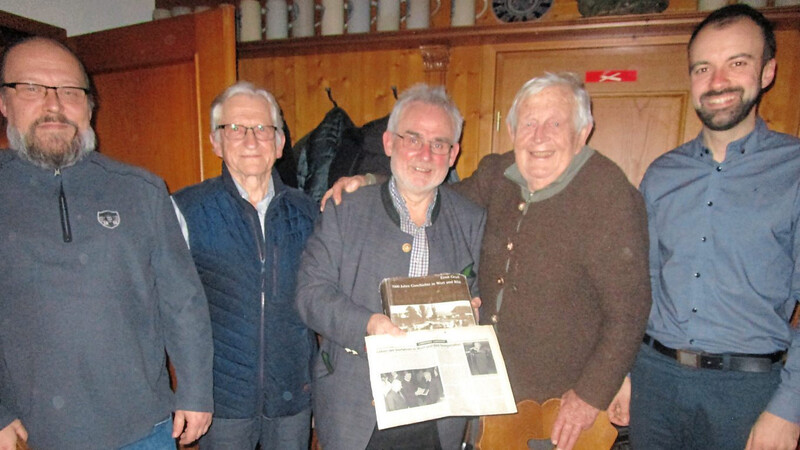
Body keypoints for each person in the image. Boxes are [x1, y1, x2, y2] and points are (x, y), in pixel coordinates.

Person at [324, 72, 651, 450]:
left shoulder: (610, 195)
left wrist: (591, 394)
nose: (539, 136)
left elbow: (629, 310)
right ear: (512, 130)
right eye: (528, 123)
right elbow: (433, 198)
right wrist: (368, 181)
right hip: (486, 396)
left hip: (561, 406)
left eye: (555, 123)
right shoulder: (498, 173)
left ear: (583, 131)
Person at [0, 37, 213, 449]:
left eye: (69, 91)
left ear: (90, 107)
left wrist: (195, 391)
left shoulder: (141, 190)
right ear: (5, 103)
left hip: (143, 429)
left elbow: (182, 300)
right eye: (32, 88)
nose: (54, 104)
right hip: (30, 433)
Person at [624, 5, 800, 449]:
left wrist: (789, 409)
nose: (717, 81)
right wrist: (625, 373)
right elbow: (640, 285)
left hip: (748, 393)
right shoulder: (662, 174)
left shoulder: (794, 170)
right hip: (654, 382)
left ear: (767, 72)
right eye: (703, 67)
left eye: (736, 63)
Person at [296, 84, 486, 450]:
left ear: (453, 154)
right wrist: (368, 325)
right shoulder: (345, 208)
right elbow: (310, 295)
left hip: (439, 414)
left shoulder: (472, 219)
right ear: (388, 144)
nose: (425, 154)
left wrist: (475, 315)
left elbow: (486, 298)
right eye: (412, 138)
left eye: (439, 143)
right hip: (357, 409)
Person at [172, 81, 317, 450]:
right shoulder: (185, 210)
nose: (250, 140)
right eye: (235, 129)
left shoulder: (310, 212)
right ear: (216, 142)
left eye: (262, 129)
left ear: (280, 142)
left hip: (292, 400)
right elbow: (169, 310)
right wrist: (191, 392)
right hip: (222, 403)